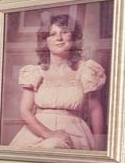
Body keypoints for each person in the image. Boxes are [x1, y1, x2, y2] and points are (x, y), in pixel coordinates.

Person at [8, 13, 107, 150]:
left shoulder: (86, 71)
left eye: (64, 32)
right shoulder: (35, 72)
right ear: (45, 41)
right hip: (37, 132)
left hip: (74, 134)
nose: (59, 38)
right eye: (52, 34)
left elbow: (95, 109)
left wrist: (99, 144)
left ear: (73, 37)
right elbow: (25, 110)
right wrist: (49, 134)